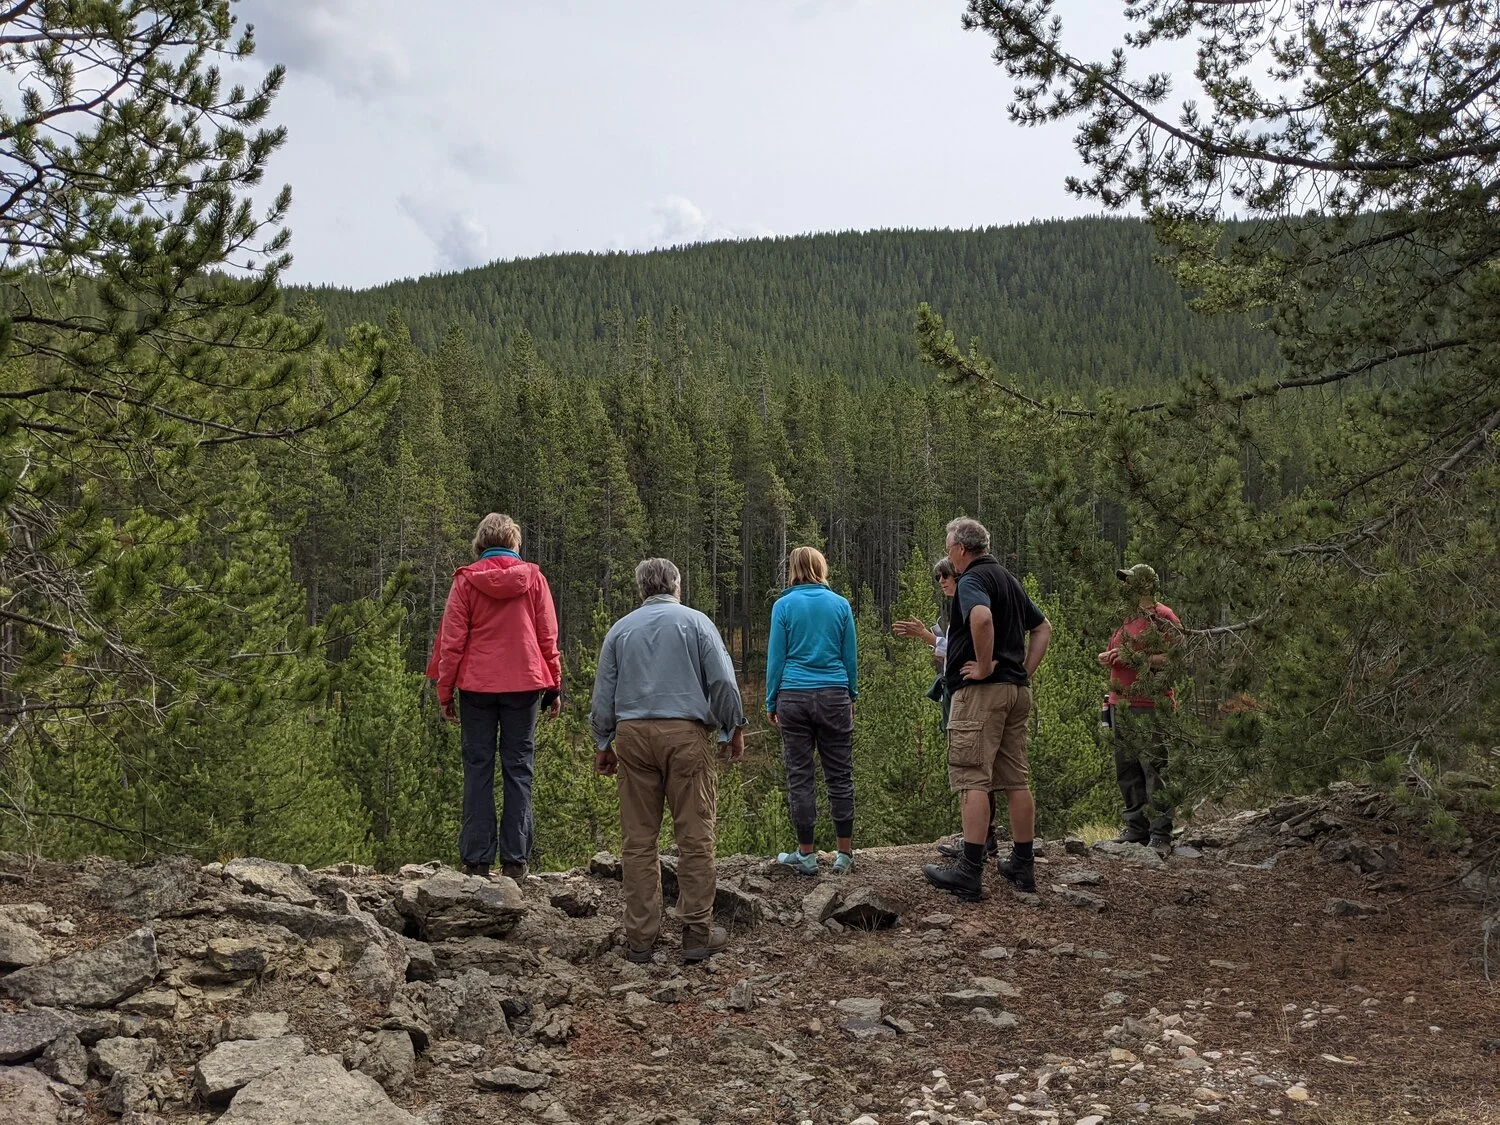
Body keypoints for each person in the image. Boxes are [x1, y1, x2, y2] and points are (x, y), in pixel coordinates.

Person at [590, 558, 747, 964]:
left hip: (632, 736)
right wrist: (732, 727)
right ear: (676, 585)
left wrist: (603, 741)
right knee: (694, 835)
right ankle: (695, 933)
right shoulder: (696, 623)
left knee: (638, 840)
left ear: (641, 588)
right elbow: (723, 681)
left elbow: (603, 692)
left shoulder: (620, 630)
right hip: (685, 735)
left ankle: (640, 938)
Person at [923, 517, 1053, 900]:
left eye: (948, 546)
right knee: (1015, 779)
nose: (948, 553)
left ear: (961, 549)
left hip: (981, 695)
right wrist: (1022, 671)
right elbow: (1043, 628)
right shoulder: (1009, 580)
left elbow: (981, 618)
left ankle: (969, 870)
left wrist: (982, 666)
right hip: (1015, 692)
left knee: (972, 777)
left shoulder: (971, 580)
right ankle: (1022, 863)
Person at [429, 513, 562, 881]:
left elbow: (452, 642)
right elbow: (547, 636)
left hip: (476, 686)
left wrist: (445, 691)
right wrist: (554, 685)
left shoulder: (466, 582)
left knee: (478, 768)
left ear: (480, 544)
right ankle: (515, 861)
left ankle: (476, 860)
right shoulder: (534, 580)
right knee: (519, 768)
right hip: (525, 684)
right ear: (514, 543)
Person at [894, 560, 1006, 861]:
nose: (942, 581)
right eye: (938, 577)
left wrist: (927, 637)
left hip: (972, 696)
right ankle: (984, 838)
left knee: (973, 770)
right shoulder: (964, 604)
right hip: (964, 693)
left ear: (958, 574)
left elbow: (964, 647)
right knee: (978, 770)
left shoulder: (972, 602)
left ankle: (979, 842)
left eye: (946, 575)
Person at [766, 546, 858, 875]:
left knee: (800, 776)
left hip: (793, 696)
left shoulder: (783, 606)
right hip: (834, 694)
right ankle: (844, 854)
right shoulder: (840, 605)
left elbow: (776, 657)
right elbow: (849, 656)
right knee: (840, 775)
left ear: (794, 570)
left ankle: (806, 854)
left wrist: (771, 700)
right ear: (821, 568)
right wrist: (851, 694)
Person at [1098, 563, 1182, 857]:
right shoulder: (1126, 618)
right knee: (1127, 768)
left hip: (1150, 705)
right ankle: (1136, 827)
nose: (1124, 586)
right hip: (1120, 703)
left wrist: (1135, 658)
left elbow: (1175, 658)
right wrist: (1109, 658)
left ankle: (1160, 834)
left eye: (1130, 582)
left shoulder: (1164, 617)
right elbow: (1121, 654)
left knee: (1153, 770)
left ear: (1146, 586)